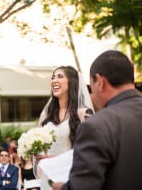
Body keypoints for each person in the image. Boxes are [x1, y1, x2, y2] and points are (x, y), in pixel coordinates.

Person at [52, 50, 142, 190]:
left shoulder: (97, 126)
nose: (92, 95)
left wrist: (61, 188)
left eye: (91, 88)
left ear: (100, 82)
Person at [37, 66, 94, 190]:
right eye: (53, 77)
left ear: (72, 82)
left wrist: (58, 160)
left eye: (60, 76)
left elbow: (92, 150)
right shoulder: (45, 115)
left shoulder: (83, 113)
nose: (54, 80)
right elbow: (41, 148)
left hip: (70, 177)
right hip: (47, 178)